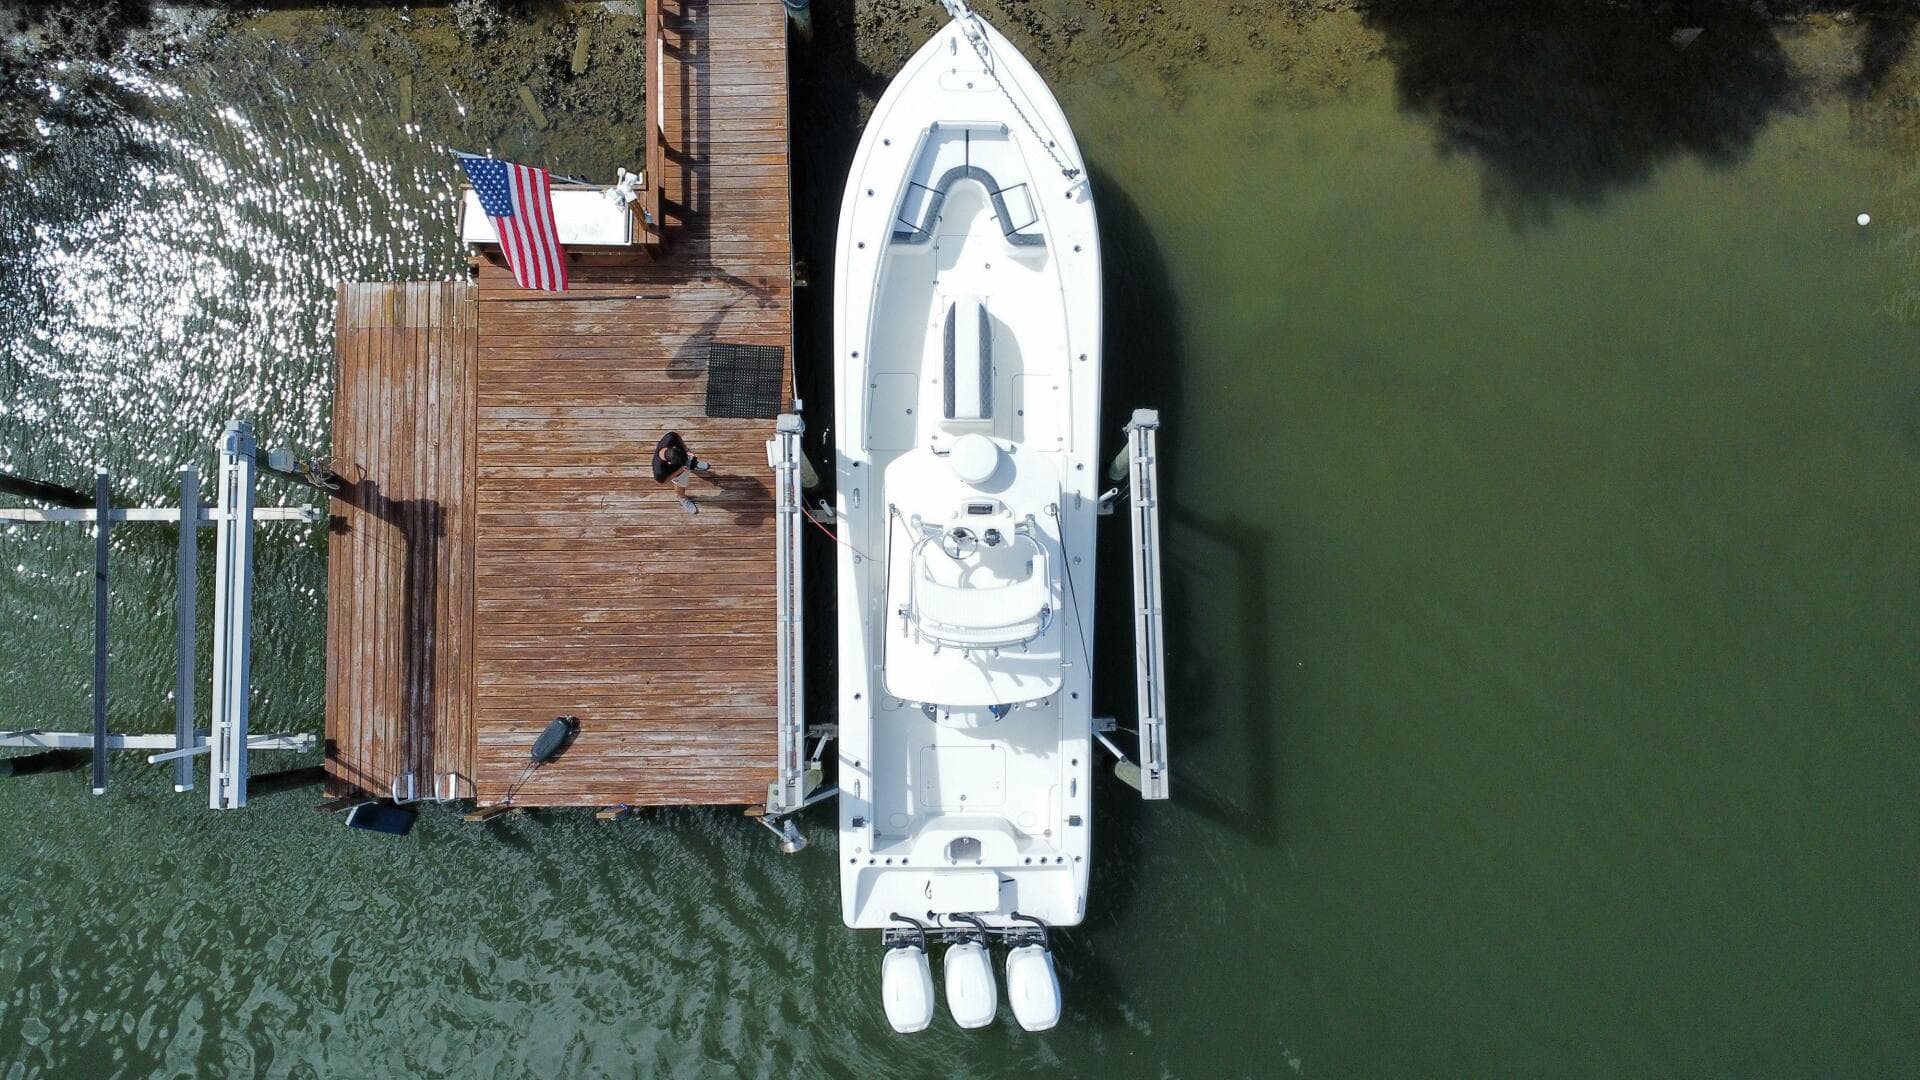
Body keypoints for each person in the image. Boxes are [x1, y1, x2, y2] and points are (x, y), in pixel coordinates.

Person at [652, 430, 711, 514]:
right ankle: (682, 498)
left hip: (682, 465)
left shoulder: (670, 438)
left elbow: (677, 436)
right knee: (680, 485)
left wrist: (687, 451)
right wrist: (681, 469)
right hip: (676, 473)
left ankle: (694, 464)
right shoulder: (659, 470)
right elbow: (663, 481)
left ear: (674, 448)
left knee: (690, 461)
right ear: (670, 463)